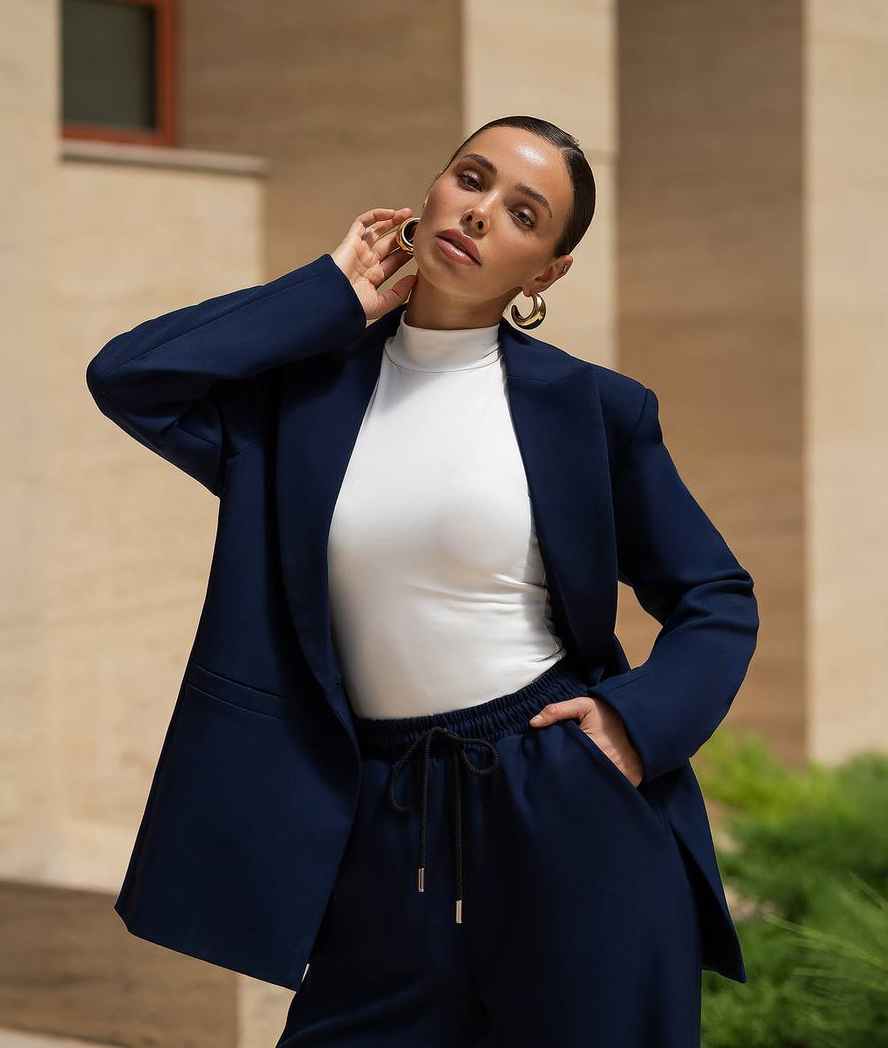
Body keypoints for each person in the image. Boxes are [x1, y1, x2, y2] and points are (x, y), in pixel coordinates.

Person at [86, 116, 759, 1047]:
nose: (481, 214)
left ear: (546, 273)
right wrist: (325, 295)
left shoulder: (592, 409)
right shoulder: (298, 399)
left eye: (523, 214)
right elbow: (130, 375)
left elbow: (716, 595)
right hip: (380, 817)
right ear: (432, 189)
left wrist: (633, 728)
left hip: (559, 796)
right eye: (472, 180)